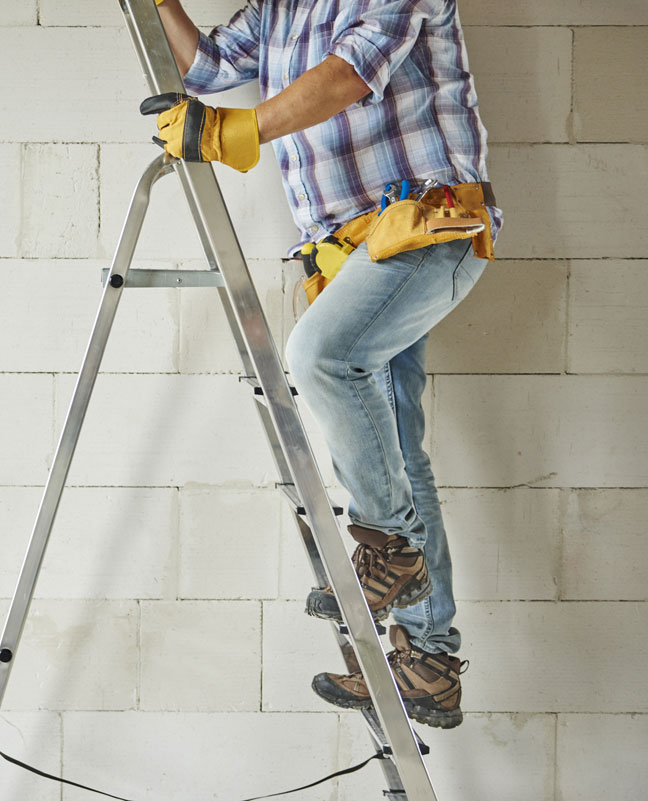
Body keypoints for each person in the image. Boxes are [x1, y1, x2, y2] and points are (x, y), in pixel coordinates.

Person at [150, 0, 501, 730]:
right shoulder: (280, 8)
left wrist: (233, 132)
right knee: (402, 452)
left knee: (322, 353)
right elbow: (210, 66)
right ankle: (429, 660)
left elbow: (350, 75)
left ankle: (387, 548)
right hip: (352, 254)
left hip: (427, 222)